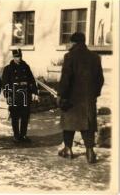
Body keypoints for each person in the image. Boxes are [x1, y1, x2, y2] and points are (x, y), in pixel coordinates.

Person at [57, 32, 104, 164]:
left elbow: (66, 79)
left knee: (68, 124)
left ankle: (68, 149)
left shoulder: (69, 56)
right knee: (88, 125)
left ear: (74, 42)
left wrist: (61, 94)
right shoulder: (95, 57)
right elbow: (100, 79)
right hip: (88, 99)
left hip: (72, 99)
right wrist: (94, 94)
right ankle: (90, 152)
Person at [2, 48, 39, 143]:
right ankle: (16, 135)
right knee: (15, 116)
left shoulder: (26, 67)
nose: (18, 58)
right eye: (16, 56)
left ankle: (23, 135)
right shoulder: (8, 69)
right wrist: (8, 96)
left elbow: (31, 80)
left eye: (19, 56)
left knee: (25, 116)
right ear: (13, 57)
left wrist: (34, 91)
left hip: (25, 95)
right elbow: (5, 83)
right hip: (14, 95)